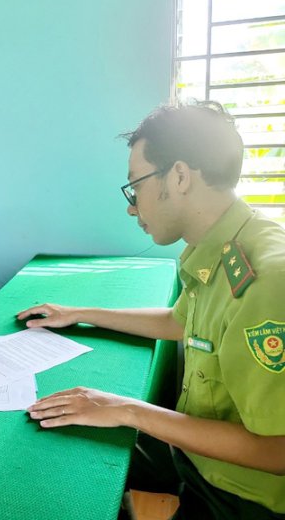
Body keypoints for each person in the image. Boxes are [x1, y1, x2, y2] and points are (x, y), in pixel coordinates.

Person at [17, 102, 285, 519]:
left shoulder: (267, 280)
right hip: (198, 458)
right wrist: (81, 313)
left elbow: (278, 449)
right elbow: (180, 322)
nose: (131, 205)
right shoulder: (217, 243)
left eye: (136, 186)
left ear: (178, 176)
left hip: (241, 497)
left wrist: (128, 409)